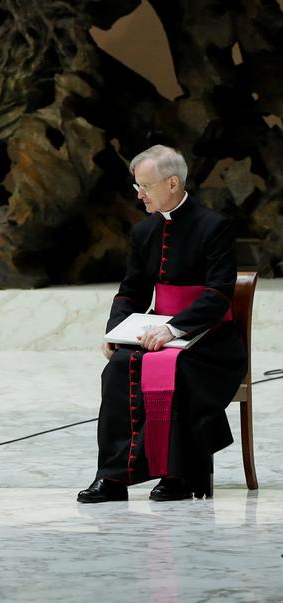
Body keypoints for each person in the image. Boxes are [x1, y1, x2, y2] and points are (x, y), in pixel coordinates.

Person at [77, 145, 247, 503]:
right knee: (118, 369)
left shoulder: (214, 227)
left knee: (178, 370)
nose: (139, 194)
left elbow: (218, 295)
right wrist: (115, 331)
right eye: (136, 186)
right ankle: (112, 478)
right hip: (158, 333)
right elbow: (132, 291)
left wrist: (174, 329)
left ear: (172, 183)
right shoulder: (143, 232)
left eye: (145, 186)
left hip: (209, 340)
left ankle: (178, 475)